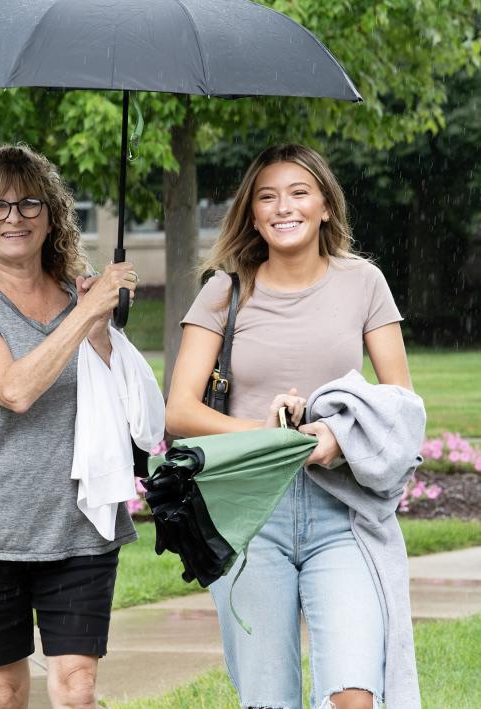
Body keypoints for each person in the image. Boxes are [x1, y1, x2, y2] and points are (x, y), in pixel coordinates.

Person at [166, 144, 415, 709]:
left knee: (355, 693)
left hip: (344, 512)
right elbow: (179, 412)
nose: (284, 207)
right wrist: (268, 433)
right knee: (268, 698)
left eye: (299, 192)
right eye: (267, 196)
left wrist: (334, 438)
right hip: (250, 514)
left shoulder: (363, 283)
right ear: (252, 213)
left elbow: (400, 404)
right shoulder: (224, 292)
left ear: (326, 205)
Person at [0, 144, 142, 709]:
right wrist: (86, 314)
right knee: (2, 695)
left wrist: (100, 318)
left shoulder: (85, 295)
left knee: (77, 690)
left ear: (52, 217)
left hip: (79, 522)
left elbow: (123, 398)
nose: (14, 218)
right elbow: (14, 389)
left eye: (29, 203)